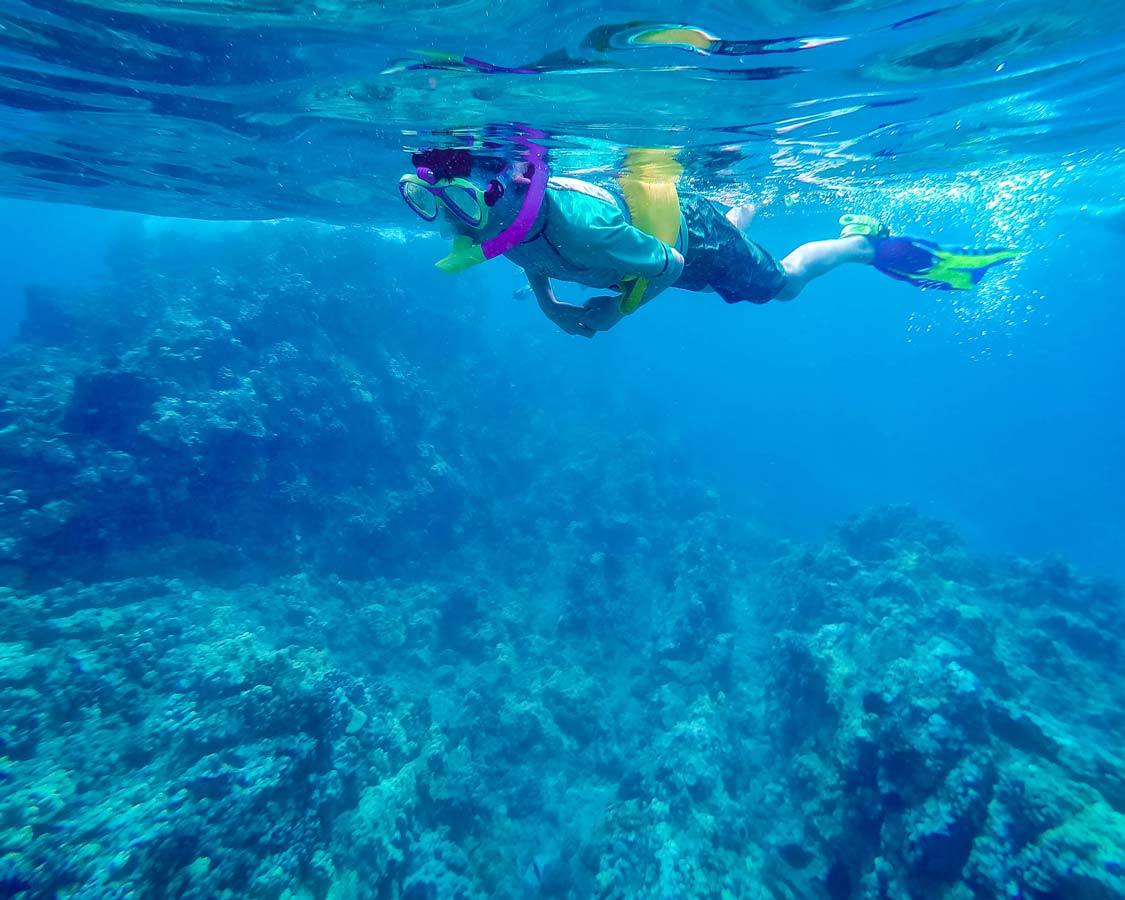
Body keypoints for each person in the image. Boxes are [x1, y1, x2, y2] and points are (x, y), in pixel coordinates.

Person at [398, 146, 1021, 338]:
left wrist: (611, 315)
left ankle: (860, 244)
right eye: (428, 203)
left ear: (504, 192)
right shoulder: (486, 222)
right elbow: (517, 246)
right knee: (716, 239)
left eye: (454, 202)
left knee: (782, 289)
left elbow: (667, 267)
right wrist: (544, 302)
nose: (447, 220)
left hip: (676, 248)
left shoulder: (574, 222)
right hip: (639, 248)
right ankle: (738, 208)